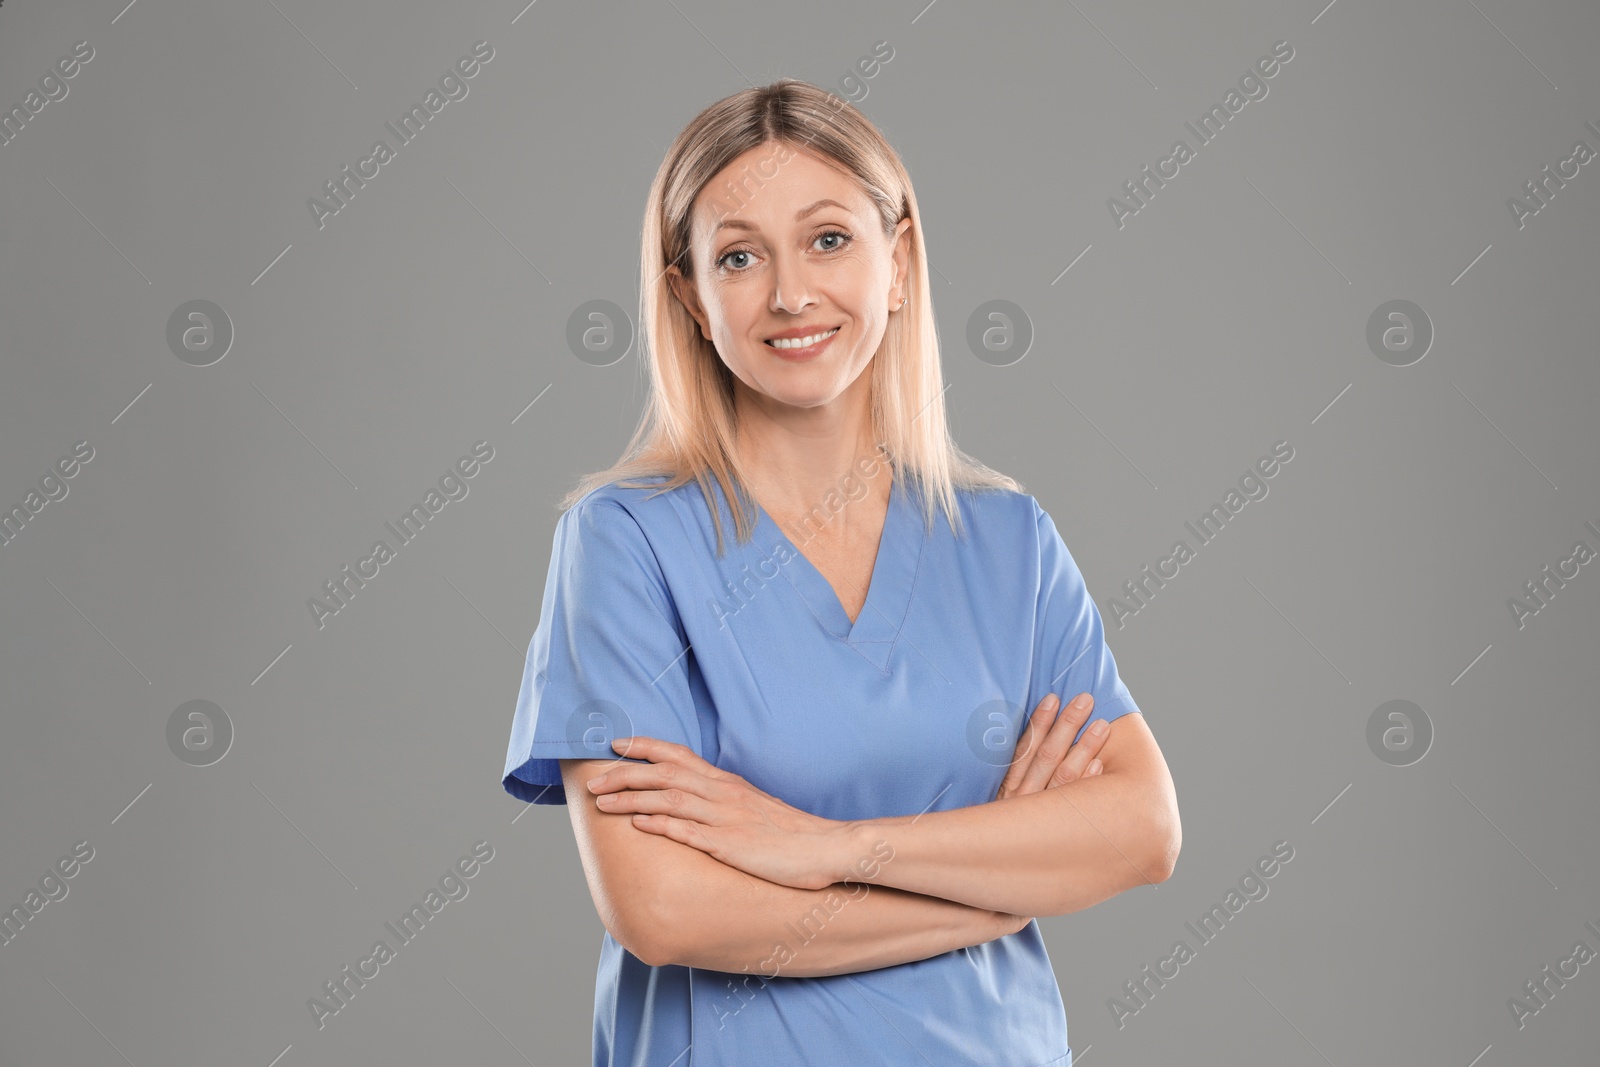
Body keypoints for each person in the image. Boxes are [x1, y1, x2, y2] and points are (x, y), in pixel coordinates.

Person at [501, 78, 1181, 1067]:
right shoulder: (625, 543)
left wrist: (819, 849)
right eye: (738, 256)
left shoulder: (1007, 541)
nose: (789, 293)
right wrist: (996, 880)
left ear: (898, 260)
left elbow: (1141, 829)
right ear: (688, 294)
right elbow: (662, 907)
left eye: (828, 239)